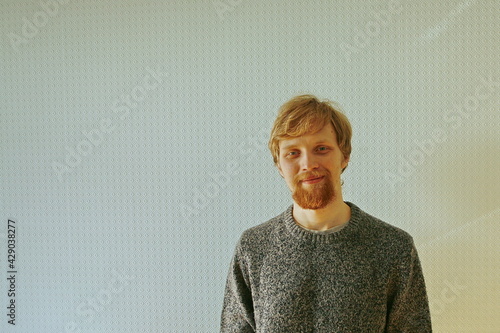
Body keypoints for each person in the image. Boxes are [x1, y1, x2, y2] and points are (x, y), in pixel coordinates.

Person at [220, 95, 432, 332]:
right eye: (293, 153)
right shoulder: (253, 247)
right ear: (279, 165)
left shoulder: (394, 248)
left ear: (345, 155)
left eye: (321, 148)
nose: (308, 164)